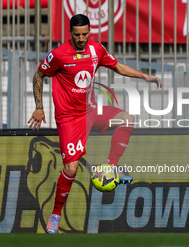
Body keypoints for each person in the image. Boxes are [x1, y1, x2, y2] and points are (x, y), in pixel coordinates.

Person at [28, 14, 163, 234]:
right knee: (71, 169)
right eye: (77, 34)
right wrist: (39, 107)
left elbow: (117, 66)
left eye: (85, 34)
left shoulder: (96, 49)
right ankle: (55, 215)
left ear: (89, 32)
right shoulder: (59, 54)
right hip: (69, 118)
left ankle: (111, 167)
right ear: (70, 33)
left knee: (127, 119)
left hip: (90, 111)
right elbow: (38, 75)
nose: (81, 38)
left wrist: (144, 76)